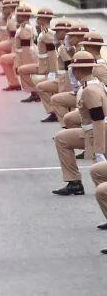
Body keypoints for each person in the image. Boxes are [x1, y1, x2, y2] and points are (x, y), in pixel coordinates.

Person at [52, 50, 107, 196]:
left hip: (97, 134)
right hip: (91, 131)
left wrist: (99, 150)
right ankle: (74, 182)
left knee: (100, 175)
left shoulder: (90, 91)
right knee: (62, 138)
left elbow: (98, 120)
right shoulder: (94, 84)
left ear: (77, 70)